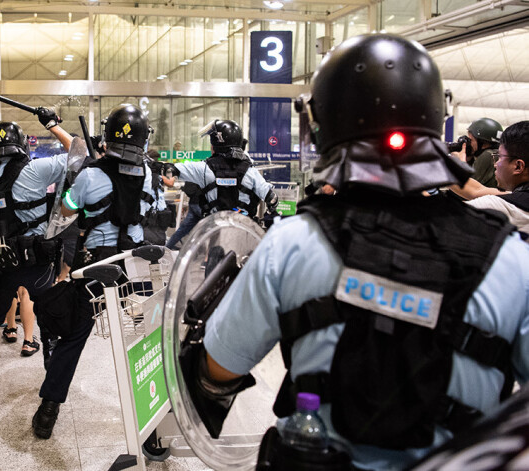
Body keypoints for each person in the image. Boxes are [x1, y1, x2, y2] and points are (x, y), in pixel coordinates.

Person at [182, 34, 529, 470]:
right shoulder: (511, 258)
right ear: (433, 118)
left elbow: (218, 371)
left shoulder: (291, 244)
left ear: (323, 122)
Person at [31, 103, 156, 439]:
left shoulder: (90, 175)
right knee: (150, 340)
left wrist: (80, 184)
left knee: (72, 334)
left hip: (98, 270)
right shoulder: (152, 175)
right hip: (139, 270)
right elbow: (152, 208)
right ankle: (158, 416)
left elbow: (67, 210)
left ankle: (48, 410)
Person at [0, 116, 69, 413]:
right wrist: (52, 124)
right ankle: (51, 402)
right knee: (51, 324)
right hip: (38, 265)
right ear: (20, 146)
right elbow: (80, 155)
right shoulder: (35, 169)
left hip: (1, 266)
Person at [165, 119, 278, 219]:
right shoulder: (250, 170)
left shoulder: (204, 168)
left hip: (214, 229)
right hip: (243, 230)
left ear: (217, 143)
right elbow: (272, 198)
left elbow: (171, 169)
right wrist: (271, 211)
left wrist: (158, 167)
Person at [450, 121, 529, 234]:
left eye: (500, 157)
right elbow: (477, 190)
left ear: (518, 166)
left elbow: (441, 219)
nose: (495, 164)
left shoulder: (500, 207)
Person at [142, 150, 174, 245]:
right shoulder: (158, 176)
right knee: (158, 235)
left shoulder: (145, 173)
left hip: (148, 210)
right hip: (158, 211)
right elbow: (171, 183)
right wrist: (171, 172)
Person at [460, 118, 503, 188]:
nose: (469, 144)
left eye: (471, 140)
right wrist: (469, 160)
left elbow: (467, 187)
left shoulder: (488, 155)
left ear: (483, 143)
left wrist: (461, 161)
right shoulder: (498, 154)